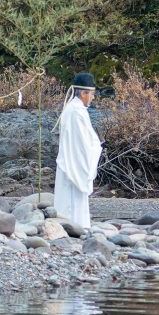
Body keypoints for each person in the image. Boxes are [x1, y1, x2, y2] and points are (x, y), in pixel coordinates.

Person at [54, 72, 102, 231]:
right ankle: (74, 226)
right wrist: (95, 147)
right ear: (83, 93)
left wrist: (95, 145)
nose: (93, 97)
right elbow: (82, 144)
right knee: (72, 200)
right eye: (92, 94)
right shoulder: (76, 111)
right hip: (74, 162)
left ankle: (73, 226)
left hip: (70, 160)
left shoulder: (74, 108)